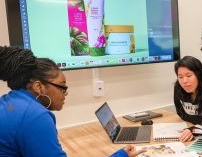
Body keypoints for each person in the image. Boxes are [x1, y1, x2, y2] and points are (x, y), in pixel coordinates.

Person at [0, 46, 144, 157]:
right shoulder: (34, 116)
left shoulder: (11, 102)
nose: (66, 93)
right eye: (62, 87)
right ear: (39, 87)